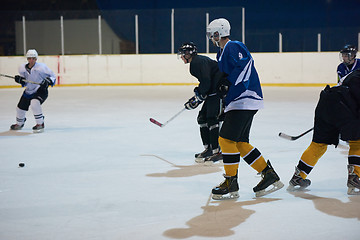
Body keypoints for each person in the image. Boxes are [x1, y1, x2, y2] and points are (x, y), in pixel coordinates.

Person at [206, 18, 284, 199]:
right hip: (239, 101)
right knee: (239, 142)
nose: (211, 37)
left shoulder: (233, 46)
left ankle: (231, 182)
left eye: (212, 34)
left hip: (245, 98)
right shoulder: (222, 52)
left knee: (225, 140)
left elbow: (245, 65)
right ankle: (268, 174)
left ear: (218, 33)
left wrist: (228, 82)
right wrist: (225, 103)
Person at [288, 69, 360, 195]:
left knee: (318, 144)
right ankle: (354, 177)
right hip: (343, 104)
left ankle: (298, 177)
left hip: (326, 101)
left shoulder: (355, 73)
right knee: (357, 141)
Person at [178, 42, 223, 163]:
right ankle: (208, 149)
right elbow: (205, 82)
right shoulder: (196, 62)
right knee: (202, 118)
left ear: (189, 54)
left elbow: (207, 82)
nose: (181, 56)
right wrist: (198, 95)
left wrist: (198, 97)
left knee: (212, 118)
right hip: (212, 91)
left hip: (218, 91)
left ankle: (216, 151)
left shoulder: (197, 62)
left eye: (183, 54)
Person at [10, 49, 56, 133]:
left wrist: (48, 81)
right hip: (29, 91)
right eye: (29, 58)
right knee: (20, 108)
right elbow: (24, 82)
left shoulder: (41, 67)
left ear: (36, 59)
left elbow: (53, 76)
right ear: (27, 59)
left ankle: (40, 123)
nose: (31, 60)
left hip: (40, 90)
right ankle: (19, 123)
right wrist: (20, 80)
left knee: (34, 104)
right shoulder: (22, 68)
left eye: (33, 58)